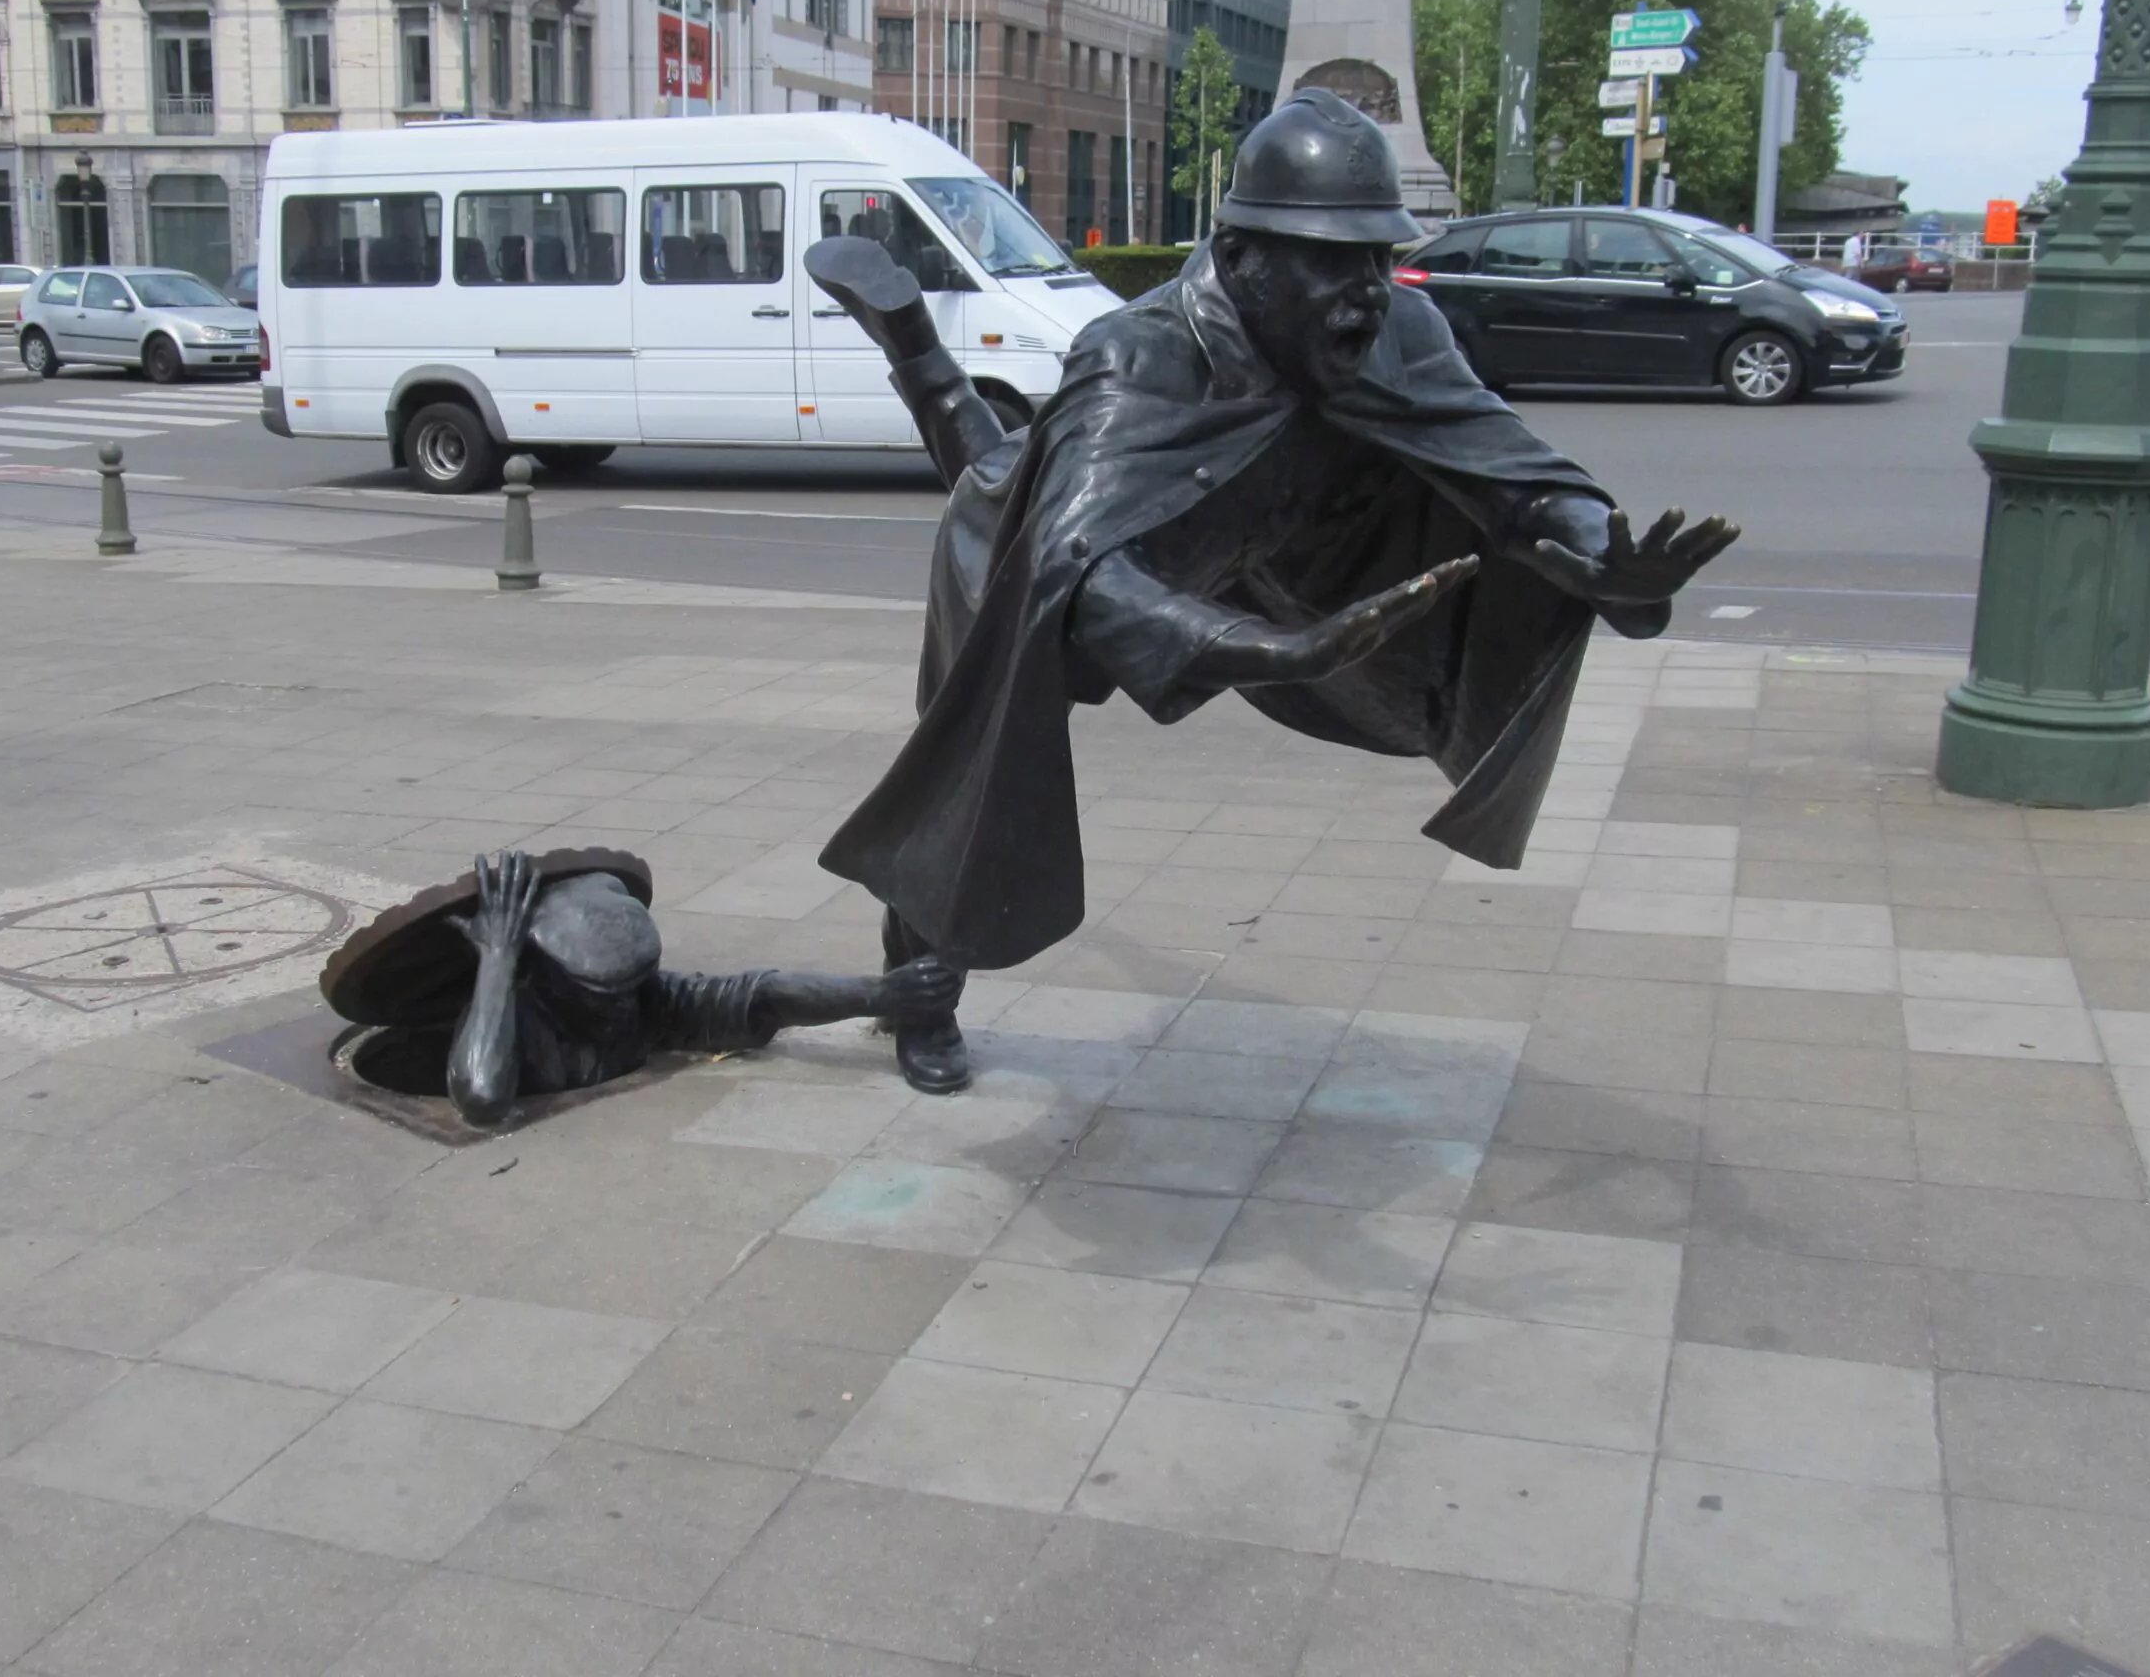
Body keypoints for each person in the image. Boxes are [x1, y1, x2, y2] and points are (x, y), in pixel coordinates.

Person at [804, 89, 1738, 1094]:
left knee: (1002, 470)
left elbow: (1517, 481)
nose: (1368, 290)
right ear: (1244, 260)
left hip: (1236, 561)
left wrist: (1599, 559)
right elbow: (1076, 570)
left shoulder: (1399, 333)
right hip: (1042, 555)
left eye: (1378, 257)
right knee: (965, 760)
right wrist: (1270, 650)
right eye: (1333, 261)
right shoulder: (1138, 356)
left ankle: (911, 344)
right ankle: (919, 991)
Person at [320, 849, 962, 1127]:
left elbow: (760, 995)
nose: (622, 1007)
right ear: (542, 978)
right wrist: (494, 957)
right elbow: (483, 1096)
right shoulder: (510, 1010)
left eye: (630, 988)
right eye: (599, 996)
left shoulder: (642, 1002)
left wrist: (882, 995)